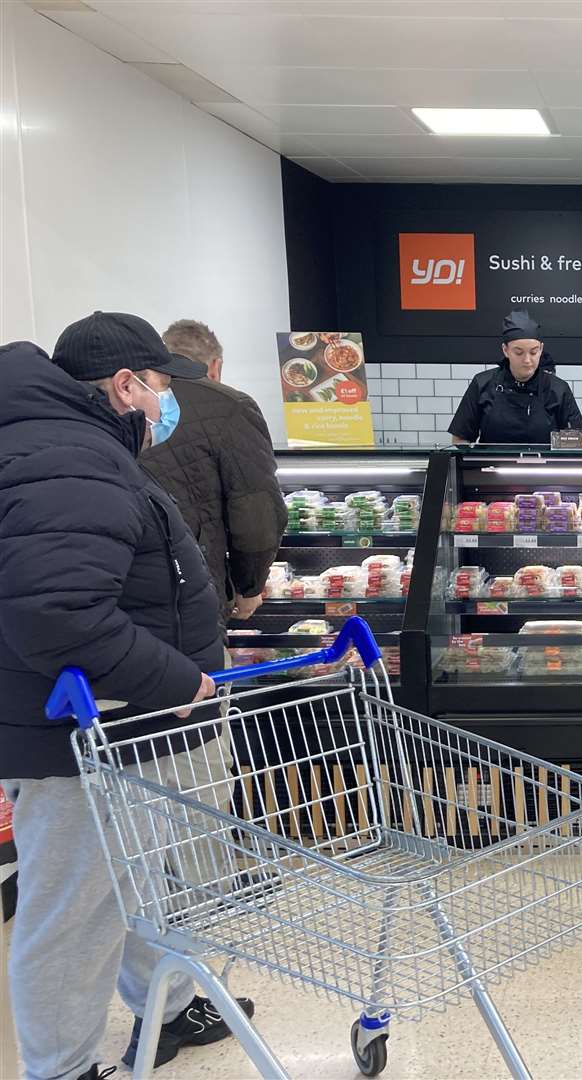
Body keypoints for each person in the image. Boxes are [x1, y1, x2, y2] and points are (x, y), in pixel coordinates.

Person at [0, 312, 254, 1080]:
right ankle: (63, 1068)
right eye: (158, 390)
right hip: (79, 731)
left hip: (114, 724)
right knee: (75, 911)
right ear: (125, 385)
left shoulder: (59, 445)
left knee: (138, 879)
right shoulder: (72, 460)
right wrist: (179, 681)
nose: (161, 406)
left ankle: (168, 1004)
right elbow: (60, 613)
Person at [144, 319, 286, 625]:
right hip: (200, 592)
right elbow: (256, 514)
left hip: (141, 591)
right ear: (215, 365)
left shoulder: (131, 403)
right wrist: (250, 586)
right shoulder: (232, 406)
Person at [448, 311, 582, 445]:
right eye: (518, 352)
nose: (527, 360)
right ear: (505, 350)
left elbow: (578, 443)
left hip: (544, 467)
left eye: (533, 352)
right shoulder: (482, 384)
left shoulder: (558, 390)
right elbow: (460, 439)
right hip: (491, 466)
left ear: (541, 349)